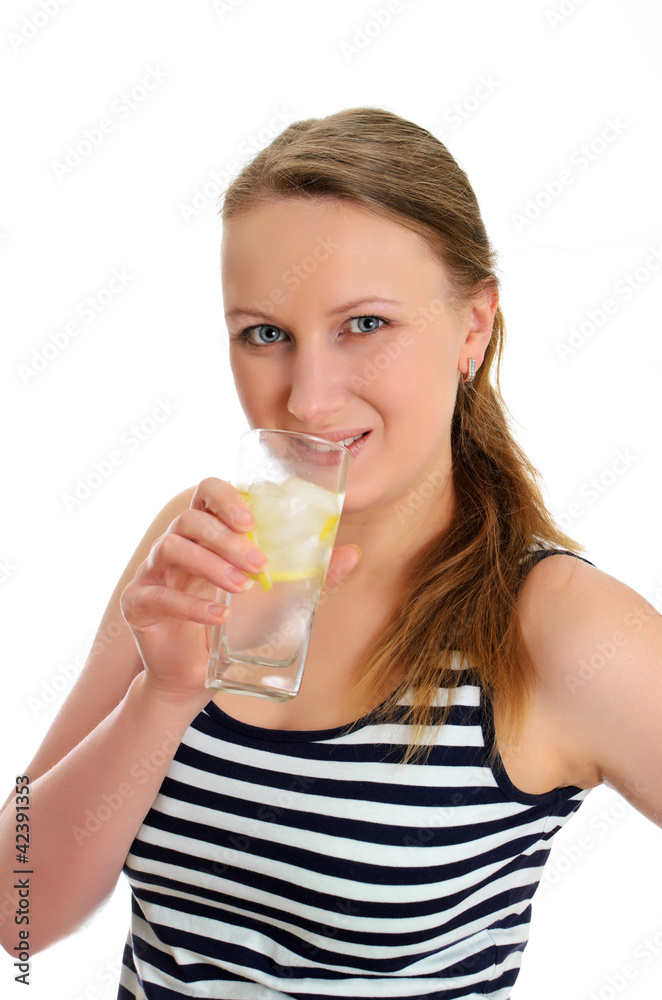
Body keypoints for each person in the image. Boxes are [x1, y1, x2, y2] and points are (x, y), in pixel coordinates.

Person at [1, 106, 660, 999]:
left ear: (474, 327)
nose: (307, 399)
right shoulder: (205, 541)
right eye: (265, 334)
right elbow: (20, 907)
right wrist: (164, 697)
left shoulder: (561, 627)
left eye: (365, 325)